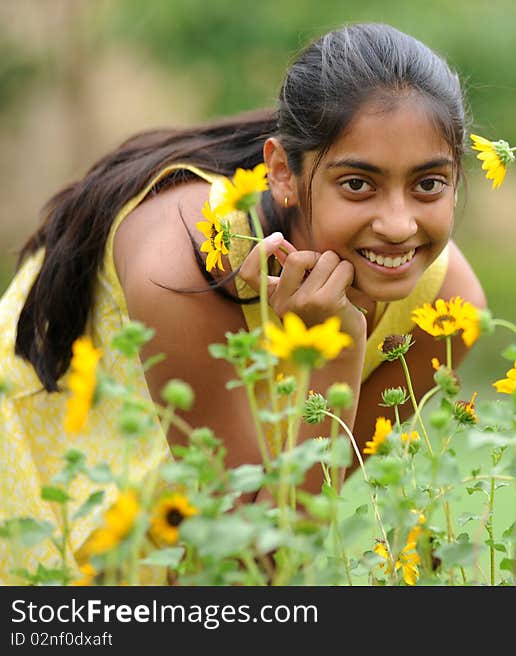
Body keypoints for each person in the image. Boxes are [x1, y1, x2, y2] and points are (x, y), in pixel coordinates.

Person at [0, 23, 485, 581]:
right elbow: (240, 559)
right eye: (358, 184)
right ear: (283, 172)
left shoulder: (447, 310)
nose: (399, 225)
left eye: (428, 184)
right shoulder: (185, 264)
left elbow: (296, 526)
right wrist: (328, 355)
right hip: (55, 483)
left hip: (187, 533)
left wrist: (334, 356)